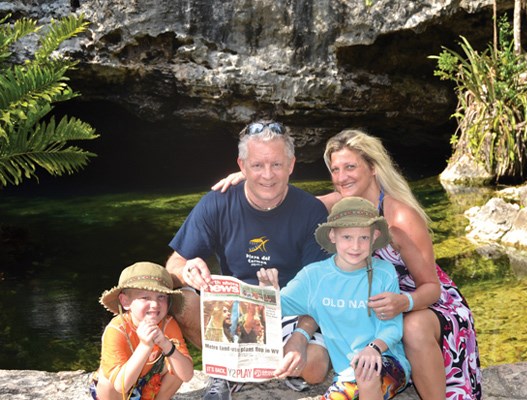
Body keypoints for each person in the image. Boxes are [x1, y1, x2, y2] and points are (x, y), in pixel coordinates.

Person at [213, 129, 483, 399]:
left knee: (412, 326)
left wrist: (404, 303)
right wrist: (252, 179)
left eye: (350, 167)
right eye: (335, 169)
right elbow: (282, 203)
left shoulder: (401, 217)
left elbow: (431, 288)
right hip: (371, 301)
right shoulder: (341, 205)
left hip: (423, 301)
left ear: (373, 167)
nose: (342, 177)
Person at [166, 120, 330, 400]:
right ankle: (225, 369)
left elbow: (321, 288)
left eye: (277, 165)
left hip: (290, 311)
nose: (268, 175)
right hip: (232, 314)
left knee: (315, 368)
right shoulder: (217, 203)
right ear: (242, 166)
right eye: (257, 165)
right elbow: (173, 264)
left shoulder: (311, 211)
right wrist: (188, 271)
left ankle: (266, 363)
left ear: (291, 165)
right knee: (181, 300)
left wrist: (301, 338)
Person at [257, 196, 410, 400]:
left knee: (367, 374)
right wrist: (268, 292)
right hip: (346, 376)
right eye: (347, 237)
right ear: (332, 235)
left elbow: (393, 327)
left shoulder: (384, 272)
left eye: (363, 238)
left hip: (386, 361)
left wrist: (373, 348)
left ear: (374, 236)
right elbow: (274, 310)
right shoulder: (313, 276)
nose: (355, 246)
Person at [90, 261, 194, 400]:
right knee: (107, 380)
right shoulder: (116, 330)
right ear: (125, 301)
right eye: (145, 297)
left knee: (177, 363)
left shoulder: (168, 324)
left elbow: (186, 375)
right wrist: (145, 346)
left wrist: (166, 345)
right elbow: (120, 386)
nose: (155, 304)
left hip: (148, 382)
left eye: (161, 296)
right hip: (121, 387)